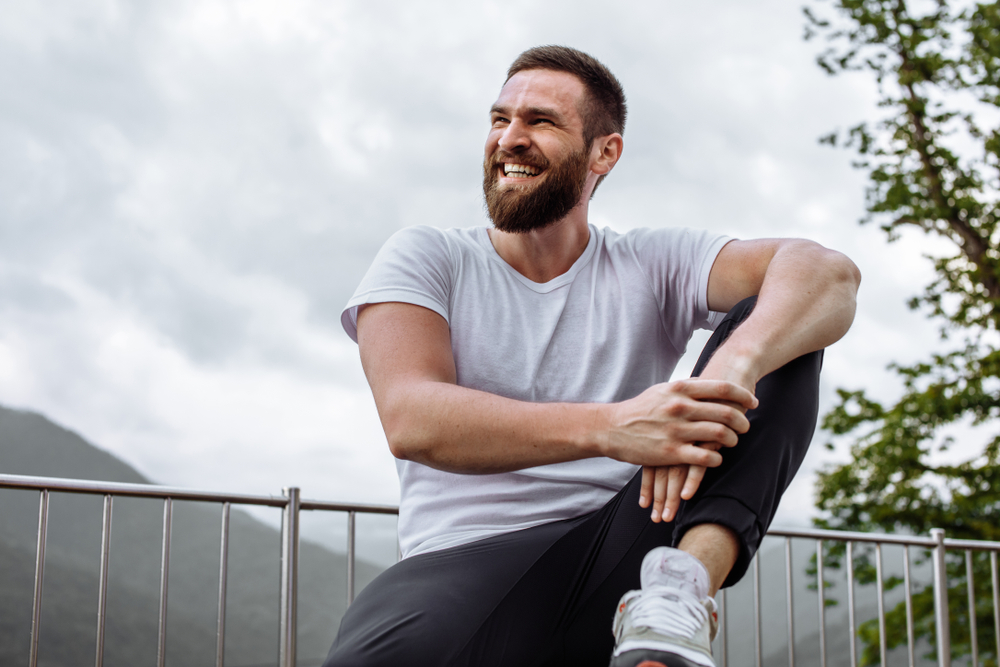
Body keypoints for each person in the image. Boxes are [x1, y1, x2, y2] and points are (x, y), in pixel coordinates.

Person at [325, 45, 861, 667]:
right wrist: (620, 428)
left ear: (604, 153)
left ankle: (678, 596)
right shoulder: (427, 256)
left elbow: (827, 274)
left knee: (783, 329)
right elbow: (413, 419)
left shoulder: (648, 262)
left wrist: (731, 370)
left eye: (541, 121)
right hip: (466, 560)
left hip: (634, 546)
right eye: (500, 120)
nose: (510, 139)